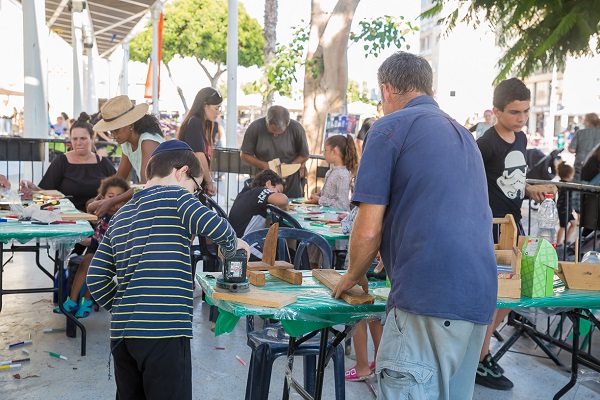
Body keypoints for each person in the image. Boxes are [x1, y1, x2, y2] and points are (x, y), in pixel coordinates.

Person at [332, 52, 498, 399]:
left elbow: (366, 229)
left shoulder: (389, 126)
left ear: (386, 90)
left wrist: (351, 274)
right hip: (478, 300)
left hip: (428, 298)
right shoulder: (464, 135)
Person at [87, 140, 247, 400]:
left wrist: (122, 306)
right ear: (181, 172)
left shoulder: (121, 214)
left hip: (123, 336)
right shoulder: (178, 197)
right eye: (195, 187)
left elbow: (95, 277)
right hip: (166, 331)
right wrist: (231, 251)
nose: (194, 194)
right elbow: (221, 229)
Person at [475, 77, 547, 390]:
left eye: (526, 112)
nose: (521, 118)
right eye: (515, 112)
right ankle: (479, 358)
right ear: (497, 111)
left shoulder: (521, 139)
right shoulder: (485, 144)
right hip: (490, 231)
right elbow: (473, 183)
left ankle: (480, 354)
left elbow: (511, 178)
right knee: (497, 296)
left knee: (510, 295)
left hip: (514, 228)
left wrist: (530, 190)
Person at [54, 176, 130, 318]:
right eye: (110, 196)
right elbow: (90, 206)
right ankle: (72, 300)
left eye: (119, 197)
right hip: (96, 245)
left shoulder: (125, 213)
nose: (114, 201)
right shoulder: (102, 209)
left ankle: (87, 299)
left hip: (112, 251)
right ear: (103, 197)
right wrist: (104, 201)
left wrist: (114, 199)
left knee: (97, 268)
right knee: (85, 263)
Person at [20, 113, 116, 211]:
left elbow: (118, 189)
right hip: (68, 218)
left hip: (99, 219)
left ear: (92, 139)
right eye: (75, 139)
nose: (78, 143)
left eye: (83, 138)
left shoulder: (104, 163)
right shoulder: (61, 162)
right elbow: (47, 191)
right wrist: (33, 189)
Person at [92, 95, 165, 216]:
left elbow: (144, 186)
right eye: (111, 131)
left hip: (169, 203)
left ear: (130, 124)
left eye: (116, 130)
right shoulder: (127, 143)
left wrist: (111, 201)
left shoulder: (148, 141)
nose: (113, 136)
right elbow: (119, 179)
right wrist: (100, 197)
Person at [240, 105, 309, 198]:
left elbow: (305, 155)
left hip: (291, 184)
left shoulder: (296, 128)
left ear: (287, 124)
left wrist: (289, 166)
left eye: (279, 132)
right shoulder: (255, 127)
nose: (275, 135)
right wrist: (266, 166)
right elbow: (244, 155)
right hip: (263, 183)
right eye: (272, 132)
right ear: (266, 122)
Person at [176, 87, 223, 196]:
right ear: (205, 105)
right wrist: (209, 181)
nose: (218, 112)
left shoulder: (198, 123)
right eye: (217, 108)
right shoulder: (194, 123)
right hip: (189, 187)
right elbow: (199, 156)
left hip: (194, 185)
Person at [228, 169, 289, 238]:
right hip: (245, 244)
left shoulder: (249, 192)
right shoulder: (260, 191)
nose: (278, 194)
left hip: (235, 240)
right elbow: (282, 200)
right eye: (278, 191)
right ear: (268, 184)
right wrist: (285, 203)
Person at [306, 134, 358, 211]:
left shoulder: (342, 175)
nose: (324, 153)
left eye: (325, 150)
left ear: (334, 151)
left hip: (336, 219)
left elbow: (342, 205)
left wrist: (319, 200)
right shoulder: (333, 171)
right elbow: (332, 193)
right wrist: (320, 193)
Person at [568, 113, 600, 211]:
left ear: (587, 122)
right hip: (596, 171)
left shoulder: (580, 132)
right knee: (593, 196)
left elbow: (571, 149)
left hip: (580, 167)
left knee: (578, 193)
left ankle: (579, 217)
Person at [556, 162, 577, 246]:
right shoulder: (565, 185)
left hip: (567, 209)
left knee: (574, 223)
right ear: (569, 175)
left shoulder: (563, 184)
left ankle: (567, 240)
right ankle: (558, 243)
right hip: (563, 209)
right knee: (562, 226)